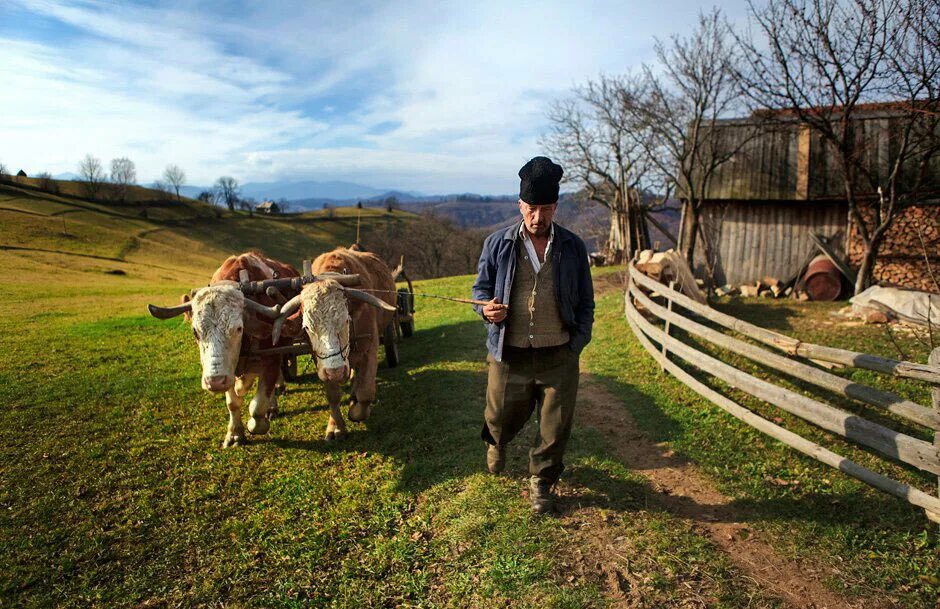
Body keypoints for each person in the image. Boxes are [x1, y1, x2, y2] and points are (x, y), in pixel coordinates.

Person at [472, 156, 595, 514]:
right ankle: (496, 441)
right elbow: (480, 291)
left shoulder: (572, 247)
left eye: (545, 209)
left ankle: (541, 481)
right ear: (520, 206)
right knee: (499, 414)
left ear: (555, 207)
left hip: (559, 352)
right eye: (531, 209)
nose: (537, 217)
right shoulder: (498, 244)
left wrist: (577, 342)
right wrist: (485, 309)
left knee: (555, 426)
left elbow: (586, 301)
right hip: (509, 352)